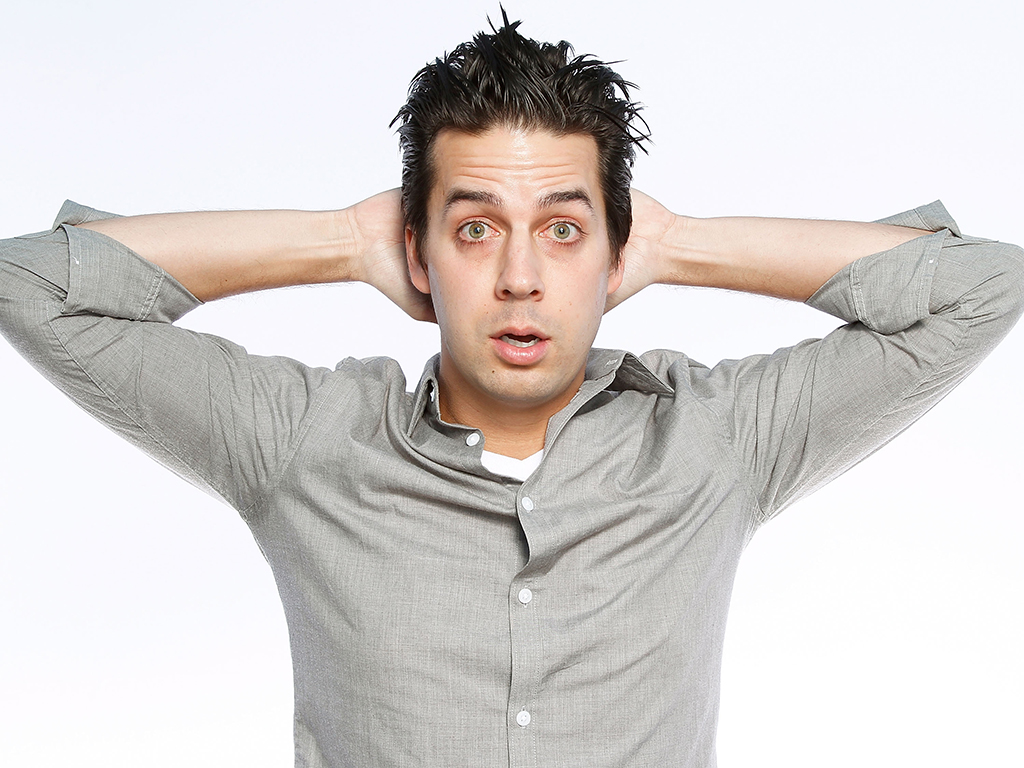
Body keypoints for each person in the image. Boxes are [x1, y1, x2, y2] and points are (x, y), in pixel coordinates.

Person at [1, 12, 1021, 768]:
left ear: (611, 254)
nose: (521, 277)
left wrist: (675, 246)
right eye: (476, 227)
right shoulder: (304, 442)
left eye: (565, 230)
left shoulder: (716, 441)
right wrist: (343, 241)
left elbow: (983, 287)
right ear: (422, 251)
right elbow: (29, 281)